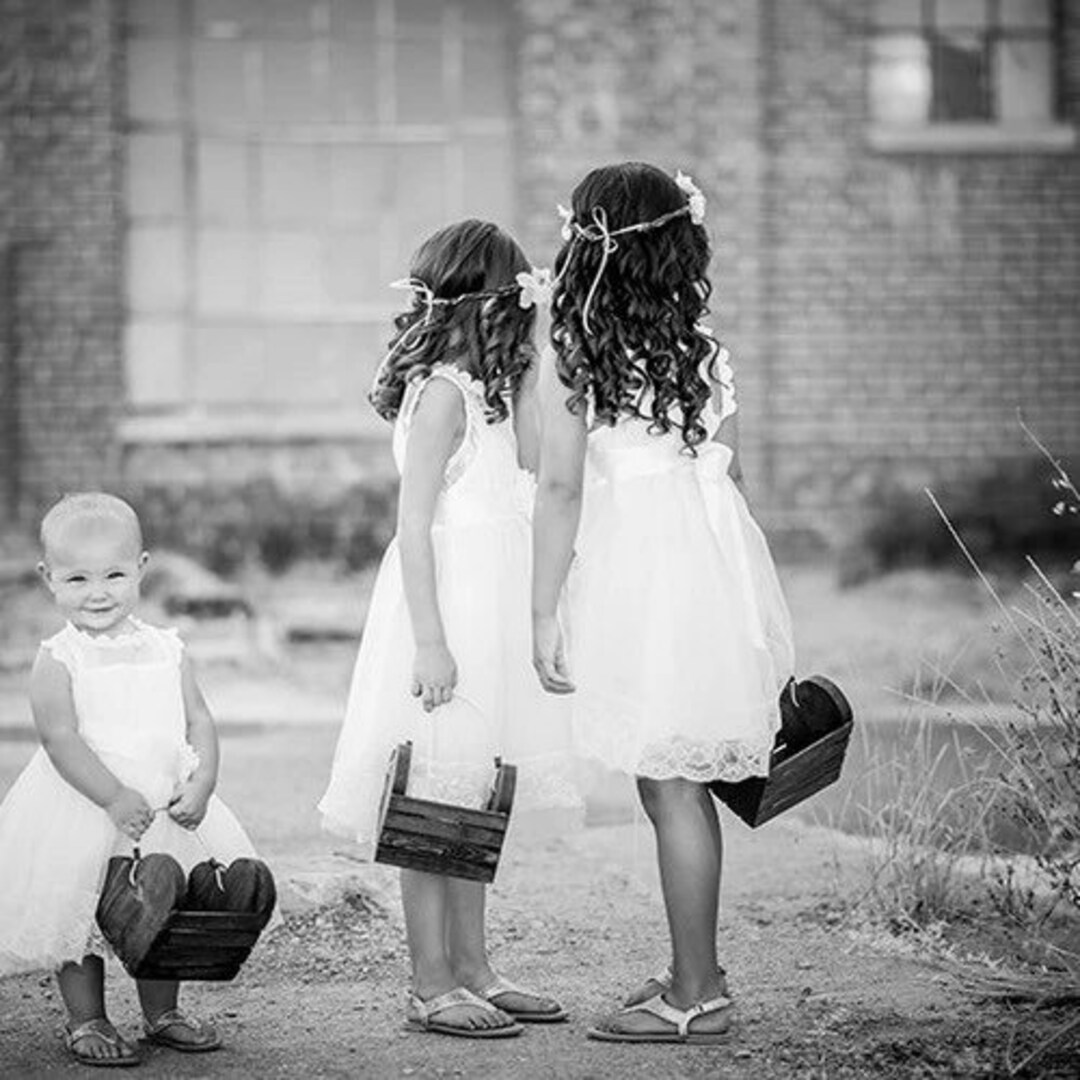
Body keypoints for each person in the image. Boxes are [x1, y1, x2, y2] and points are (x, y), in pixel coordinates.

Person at [532, 162, 795, 1044]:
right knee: (673, 779)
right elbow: (735, 474)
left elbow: (561, 489)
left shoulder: (578, 348)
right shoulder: (699, 346)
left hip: (642, 574)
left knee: (672, 784)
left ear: (592, 246)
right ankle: (699, 967)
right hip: (704, 566)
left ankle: (695, 997)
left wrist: (543, 610)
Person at [319, 220, 578, 1039]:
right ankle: (430, 980)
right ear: (489, 299)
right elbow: (414, 526)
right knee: (430, 796)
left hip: (492, 614)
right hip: (443, 618)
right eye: (516, 293)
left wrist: (534, 367)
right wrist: (431, 640)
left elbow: (535, 469)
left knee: (474, 795)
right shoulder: (439, 395)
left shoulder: (495, 390)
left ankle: (476, 967)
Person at [0, 492, 269, 1066]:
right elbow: (60, 739)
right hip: (86, 803)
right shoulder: (59, 657)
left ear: (142, 568)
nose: (98, 592)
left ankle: (161, 1012)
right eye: (77, 579)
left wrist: (203, 782)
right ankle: (87, 1018)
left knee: (164, 906)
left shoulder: (167, 649)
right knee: (81, 909)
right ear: (49, 578)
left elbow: (199, 718)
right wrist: (112, 796)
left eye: (114, 574)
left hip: (161, 807)